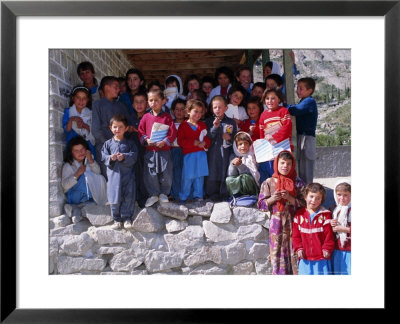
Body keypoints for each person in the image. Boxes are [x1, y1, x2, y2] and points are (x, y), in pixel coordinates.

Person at [257, 150, 305, 275]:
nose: (285, 166)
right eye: (282, 163)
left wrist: (290, 198)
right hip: (276, 225)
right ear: (276, 164)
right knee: (277, 253)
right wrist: (273, 198)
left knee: (294, 251)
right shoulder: (268, 182)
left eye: (289, 163)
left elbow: (306, 204)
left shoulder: (297, 182)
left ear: (292, 165)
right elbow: (261, 205)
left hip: (294, 224)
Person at [138, 89, 177, 207]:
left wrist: (164, 142)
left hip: (164, 150)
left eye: (156, 100)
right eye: (151, 100)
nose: (153, 103)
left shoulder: (167, 117)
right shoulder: (145, 117)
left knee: (166, 172)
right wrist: (146, 140)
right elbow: (140, 131)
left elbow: (172, 132)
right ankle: (153, 194)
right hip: (150, 151)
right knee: (151, 173)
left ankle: (164, 193)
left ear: (163, 101)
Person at [91, 76, 135, 178]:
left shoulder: (122, 106)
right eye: (116, 86)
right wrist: (109, 144)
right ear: (106, 88)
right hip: (104, 148)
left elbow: (128, 125)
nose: (118, 89)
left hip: (121, 148)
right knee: (108, 178)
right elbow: (96, 129)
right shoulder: (97, 105)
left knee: (122, 178)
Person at [102, 114, 138, 230]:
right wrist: (110, 158)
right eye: (115, 127)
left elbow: (134, 156)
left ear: (126, 128)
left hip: (128, 176)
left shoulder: (130, 143)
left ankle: (127, 218)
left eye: (121, 127)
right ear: (110, 128)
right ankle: (116, 219)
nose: (118, 130)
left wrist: (124, 157)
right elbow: (103, 157)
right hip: (113, 177)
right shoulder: (107, 144)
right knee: (114, 197)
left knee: (128, 196)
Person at [293, 183, 335, 275]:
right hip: (305, 258)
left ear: (322, 200)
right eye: (311, 196)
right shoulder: (299, 215)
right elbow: (296, 236)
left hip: (321, 258)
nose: (313, 200)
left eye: (318, 198)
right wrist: (299, 248)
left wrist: (327, 248)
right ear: (305, 197)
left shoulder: (325, 215)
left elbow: (329, 235)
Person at [61, 136, 105, 223]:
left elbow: (98, 173)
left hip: (90, 196)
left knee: (100, 178)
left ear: (87, 150)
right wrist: (77, 174)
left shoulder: (88, 161)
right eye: (76, 151)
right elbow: (64, 186)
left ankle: (81, 208)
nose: (80, 152)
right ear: (71, 153)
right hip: (75, 196)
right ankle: (75, 207)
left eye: (82, 149)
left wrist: (91, 160)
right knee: (85, 176)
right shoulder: (68, 166)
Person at [177, 99, 210, 202]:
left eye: (201, 112)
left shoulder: (203, 125)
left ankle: (198, 196)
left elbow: (207, 138)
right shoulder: (183, 125)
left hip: (201, 155)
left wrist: (205, 143)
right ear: (188, 111)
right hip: (189, 156)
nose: (198, 114)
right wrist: (193, 143)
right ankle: (183, 197)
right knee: (187, 177)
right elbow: (180, 141)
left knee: (199, 177)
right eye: (196, 111)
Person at [258, 89, 293, 185]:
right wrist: (263, 144)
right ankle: (268, 194)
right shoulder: (263, 115)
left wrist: (273, 137)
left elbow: (287, 127)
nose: (270, 101)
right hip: (269, 149)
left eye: (273, 98)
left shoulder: (283, 111)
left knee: (283, 170)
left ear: (279, 99)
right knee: (270, 171)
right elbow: (262, 132)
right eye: (267, 98)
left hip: (282, 147)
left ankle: (285, 192)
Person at [205, 95, 237, 201]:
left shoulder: (231, 122)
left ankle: (224, 194)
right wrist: (215, 127)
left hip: (226, 151)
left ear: (226, 108)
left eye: (220, 107)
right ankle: (211, 194)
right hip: (212, 151)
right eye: (215, 107)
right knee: (212, 171)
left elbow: (236, 139)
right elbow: (208, 136)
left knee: (224, 171)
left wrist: (229, 138)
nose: (217, 110)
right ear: (212, 109)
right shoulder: (209, 121)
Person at [287, 77, 317, 185]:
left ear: (310, 91)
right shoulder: (303, 101)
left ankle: (308, 192)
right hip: (302, 137)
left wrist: (285, 106)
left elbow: (295, 110)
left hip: (307, 138)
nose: (297, 90)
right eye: (297, 88)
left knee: (306, 168)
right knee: (301, 167)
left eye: (301, 88)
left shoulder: (309, 101)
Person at [62, 86, 96, 158]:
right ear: (73, 98)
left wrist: (84, 125)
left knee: (89, 166)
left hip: (88, 146)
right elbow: (67, 130)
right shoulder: (68, 111)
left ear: (88, 100)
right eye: (78, 98)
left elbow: (94, 131)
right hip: (73, 145)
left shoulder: (91, 114)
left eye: (84, 98)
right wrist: (72, 119)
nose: (81, 101)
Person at [131, 92, 150, 208]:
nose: (139, 105)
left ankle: (146, 198)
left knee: (146, 175)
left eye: (142, 102)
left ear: (147, 104)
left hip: (146, 151)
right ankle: (137, 198)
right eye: (136, 102)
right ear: (132, 105)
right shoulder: (129, 118)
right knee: (135, 175)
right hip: (133, 152)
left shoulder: (149, 118)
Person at [226, 132, 260, 198]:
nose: (243, 146)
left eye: (246, 143)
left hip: (253, 184)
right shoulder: (234, 156)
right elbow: (231, 175)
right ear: (236, 146)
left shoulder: (253, 156)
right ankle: (237, 195)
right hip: (240, 186)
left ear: (250, 145)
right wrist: (233, 164)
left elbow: (252, 174)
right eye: (240, 144)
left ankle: (251, 195)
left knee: (245, 177)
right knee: (228, 179)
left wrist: (240, 165)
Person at [330, 180, 351, 275]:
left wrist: (344, 229)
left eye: (345, 195)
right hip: (336, 250)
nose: (342, 198)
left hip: (350, 250)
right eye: (339, 194)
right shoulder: (333, 209)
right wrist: (330, 223)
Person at [170, 98, 187, 201]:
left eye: (182, 109)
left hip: (185, 151)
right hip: (173, 150)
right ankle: (174, 194)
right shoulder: (170, 124)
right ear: (172, 111)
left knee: (185, 173)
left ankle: (186, 194)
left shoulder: (188, 124)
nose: (180, 112)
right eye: (177, 109)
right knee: (174, 173)